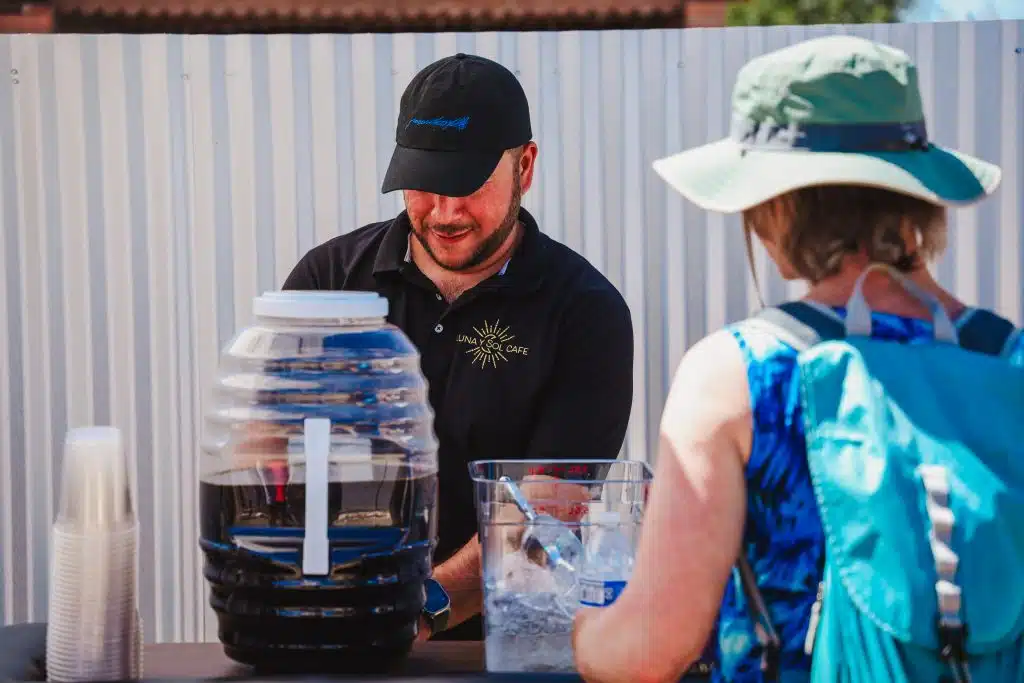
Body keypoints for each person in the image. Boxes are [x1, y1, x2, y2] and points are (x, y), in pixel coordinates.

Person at [572, 35, 1024, 682]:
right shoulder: (1010, 363)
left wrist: (586, 633)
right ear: (918, 195)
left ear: (776, 205)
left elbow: (652, 647)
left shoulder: (735, 373)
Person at [282, 53, 634, 642]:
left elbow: (546, 511)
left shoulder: (585, 313)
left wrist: (416, 611)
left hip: (504, 648)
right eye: (424, 183)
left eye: (467, 184)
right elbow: (274, 458)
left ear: (525, 166)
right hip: (325, 629)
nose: (444, 212)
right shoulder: (328, 283)